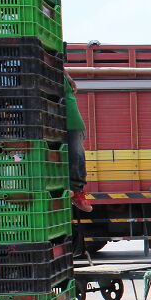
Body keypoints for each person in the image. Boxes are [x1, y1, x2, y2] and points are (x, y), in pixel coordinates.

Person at [65, 72, 92, 212]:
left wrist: (68, 76)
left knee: (76, 155)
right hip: (57, 123)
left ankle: (76, 191)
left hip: (72, 123)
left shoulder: (54, 67)